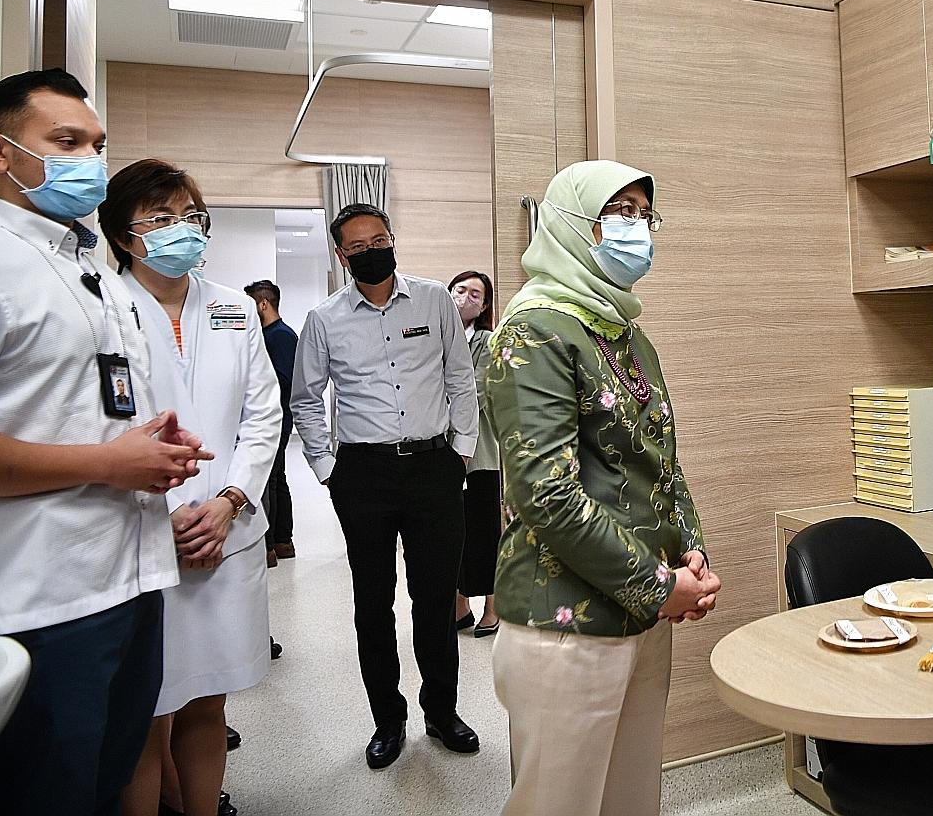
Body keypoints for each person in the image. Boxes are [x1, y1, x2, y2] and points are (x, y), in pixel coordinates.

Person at [0, 69, 213, 816]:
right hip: (41, 598)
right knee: (48, 790)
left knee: (109, 775)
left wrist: (146, 441)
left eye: (96, 143)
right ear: (2, 152)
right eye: (65, 141)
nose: (88, 158)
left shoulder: (88, 264)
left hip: (132, 578)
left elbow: (75, 401)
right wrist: (106, 462)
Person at [486, 160, 720, 816]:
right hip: (566, 622)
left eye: (644, 215)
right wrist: (659, 585)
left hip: (645, 613)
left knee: (631, 797)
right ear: (567, 223)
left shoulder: (627, 332)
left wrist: (689, 556)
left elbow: (662, 464)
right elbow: (546, 494)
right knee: (560, 804)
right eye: (618, 212)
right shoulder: (534, 331)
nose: (635, 229)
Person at [102, 159, 282, 816]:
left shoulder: (234, 306)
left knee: (209, 699)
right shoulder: (103, 307)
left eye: (191, 217)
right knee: (146, 710)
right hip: (143, 537)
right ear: (124, 234)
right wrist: (171, 515)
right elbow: (99, 426)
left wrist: (229, 502)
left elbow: (264, 413)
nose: (183, 230)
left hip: (227, 534)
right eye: (162, 218)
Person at [290, 203, 480, 769]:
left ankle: (441, 713)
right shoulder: (324, 319)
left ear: (392, 239)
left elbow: (459, 378)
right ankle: (387, 720)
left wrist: (461, 452)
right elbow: (306, 397)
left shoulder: (433, 300)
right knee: (372, 604)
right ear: (341, 255)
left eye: (381, 240)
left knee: (435, 598)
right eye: (360, 247)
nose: (374, 251)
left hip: (433, 468)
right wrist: (328, 469)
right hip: (363, 475)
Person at [448, 270, 503, 638]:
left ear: (484, 305)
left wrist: (436, 407)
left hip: (480, 455)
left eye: (475, 294)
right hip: (441, 455)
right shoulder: (432, 336)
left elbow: (478, 393)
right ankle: (459, 606)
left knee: (484, 534)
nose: (466, 297)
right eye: (460, 289)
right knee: (450, 535)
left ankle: (492, 609)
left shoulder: (485, 341)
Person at [244, 279, 299, 566]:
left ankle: (269, 546)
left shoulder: (280, 336)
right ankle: (281, 541)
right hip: (273, 418)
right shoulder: (269, 334)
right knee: (276, 479)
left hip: (275, 419)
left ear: (262, 304)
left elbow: (284, 380)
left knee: (268, 482)